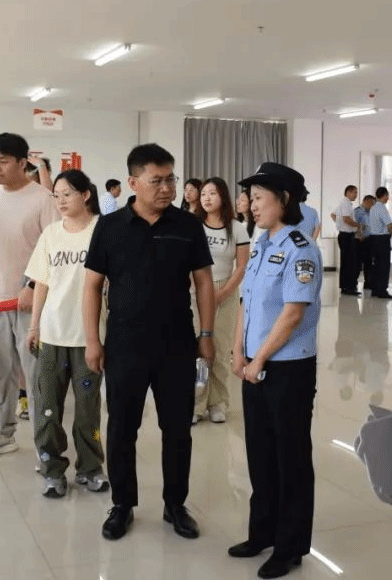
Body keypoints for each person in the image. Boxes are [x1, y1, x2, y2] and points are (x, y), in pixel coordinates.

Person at [83, 144, 215, 541]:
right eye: (156, 180)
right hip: (125, 344)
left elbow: (204, 282)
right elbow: (92, 286)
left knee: (178, 429)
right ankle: (122, 504)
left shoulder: (187, 225)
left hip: (177, 344)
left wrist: (207, 334)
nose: (167, 188)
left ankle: (175, 504)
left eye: (171, 179)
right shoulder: (110, 226)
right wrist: (93, 341)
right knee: (122, 428)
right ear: (133, 182)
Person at [227, 162, 322, 580]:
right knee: (260, 454)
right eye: (250, 199)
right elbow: (246, 304)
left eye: (259, 198)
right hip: (254, 366)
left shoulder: (302, 249)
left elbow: (292, 313)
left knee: (291, 459)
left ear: (284, 200)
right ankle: (261, 532)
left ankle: (290, 546)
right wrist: (238, 353)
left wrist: (259, 359)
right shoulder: (261, 243)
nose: (251, 206)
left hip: (288, 370)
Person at [0, 133, 60, 460]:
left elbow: (53, 250)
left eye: (3, 161)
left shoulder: (43, 198)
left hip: (30, 304)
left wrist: (32, 286)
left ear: (23, 163)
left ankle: (45, 446)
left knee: (36, 378)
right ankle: (3, 433)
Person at [25, 170, 109, 497]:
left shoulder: (103, 230)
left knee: (88, 410)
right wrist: (34, 326)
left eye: (67, 194)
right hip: (51, 335)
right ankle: (52, 470)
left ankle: (90, 468)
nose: (60, 201)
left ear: (86, 194)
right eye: (56, 195)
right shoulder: (51, 234)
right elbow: (41, 283)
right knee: (48, 409)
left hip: (89, 338)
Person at [193, 177, 250, 424]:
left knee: (220, 347)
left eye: (212, 193)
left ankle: (218, 402)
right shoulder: (194, 225)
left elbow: (242, 266)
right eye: (203, 193)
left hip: (225, 290)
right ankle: (196, 404)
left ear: (223, 197)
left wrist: (223, 293)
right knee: (197, 349)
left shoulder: (236, 227)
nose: (206, 198)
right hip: (195, 291)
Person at [331, 186, 360, 295]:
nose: (356, 195)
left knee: (348, 262)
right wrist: (358, 225)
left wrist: (339, 224)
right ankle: (348, 288)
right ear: (348, 192)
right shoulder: (345, 203)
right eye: (354, 192)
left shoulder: (344, 203)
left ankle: (346, 286)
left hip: (345, 235)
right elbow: (347, 219)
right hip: (346, 236)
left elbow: (333, 214)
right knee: (348, 263)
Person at [367, 188, 392, 298]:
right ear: (384, 195)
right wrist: (391, 232)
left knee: (376, 265)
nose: (388, 198)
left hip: (373, 238)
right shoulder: (382, 208)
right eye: (387, 195)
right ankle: (382, 290)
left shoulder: (373, 208)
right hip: (382, 239)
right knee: (384, 265)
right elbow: (389, 225)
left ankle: (375, 289)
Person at [353, 195, 376, 291]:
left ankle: (368, 283)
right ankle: (353, 284)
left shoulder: (370, 212)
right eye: (372, 203)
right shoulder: (358, 211)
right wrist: (359, 235)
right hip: (360, 240)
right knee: (357, 263)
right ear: (366, 201)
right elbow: (355, 225)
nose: (373, 206)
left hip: (369, 239)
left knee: (369, 262)